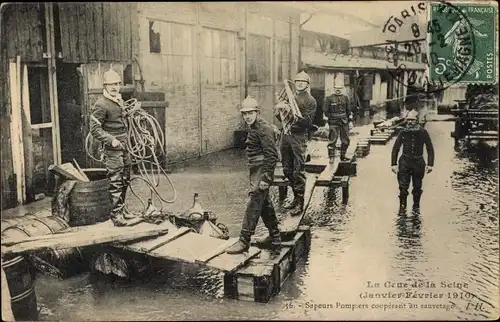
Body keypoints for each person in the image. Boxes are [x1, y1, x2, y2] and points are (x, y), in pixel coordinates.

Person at [226, 96, 281, 255]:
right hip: (256, 169)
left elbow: (272, 156)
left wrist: (266, 178)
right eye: (244, 114)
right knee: (264, 203)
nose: (247, 116)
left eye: (250, 113)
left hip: (262, 170)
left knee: (253, 202)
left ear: (257, 112)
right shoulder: (255, 127)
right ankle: (275, 237)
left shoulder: (264, 128)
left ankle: (244, 240)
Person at [89, 69, 134, 226]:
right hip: (112, 148)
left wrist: (130, 113)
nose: (115, 87)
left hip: (124, 145)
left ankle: (122, 211)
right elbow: (94, 129)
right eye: (111, 84)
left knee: (126, 178)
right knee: (115, 180)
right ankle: (116, 216)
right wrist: (111, 140)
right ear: (105, 85)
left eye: (117, 84)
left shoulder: (119, 100)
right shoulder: (100, 104)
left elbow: (120, 119)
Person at [276, 71, 317, 216]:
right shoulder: (291, 96)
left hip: (298, 137)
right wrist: (280, 109)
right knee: (287, 169)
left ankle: (300, 202)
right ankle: (295, 197)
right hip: (285, 136)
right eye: (297, 81)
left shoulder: (310, 101)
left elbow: (307, 122)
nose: (299, 83)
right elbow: (281, 118)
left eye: (303, 81)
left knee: (298, 170)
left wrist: (292, 112)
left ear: (307, 84)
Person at [391, 110, 435, 214]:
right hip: (405, 162)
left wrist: (430, 164)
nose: (410, 122)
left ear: (417, 121)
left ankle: (416, 207)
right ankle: (402, 206)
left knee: (417, 187)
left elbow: (430, 148)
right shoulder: (403, 132)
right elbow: (396, 148)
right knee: (403, 187)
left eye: (413, 120)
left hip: (418, 163)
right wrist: (393, 164)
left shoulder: (423, 132)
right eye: (409, 120)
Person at [324, 84, 353, 163]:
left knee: (346, 140)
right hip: (333, 121)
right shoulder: (329, 99)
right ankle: (331, 157)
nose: (338, 89)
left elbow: (349, 110)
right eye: (336, 88)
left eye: (340, 88)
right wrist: (327, 123)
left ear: (342, 88)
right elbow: (325, 112)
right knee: (332, 140)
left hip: (344, 121)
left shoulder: (345, 98)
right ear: (334, 88)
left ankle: (343, 156)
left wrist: (350, 122)